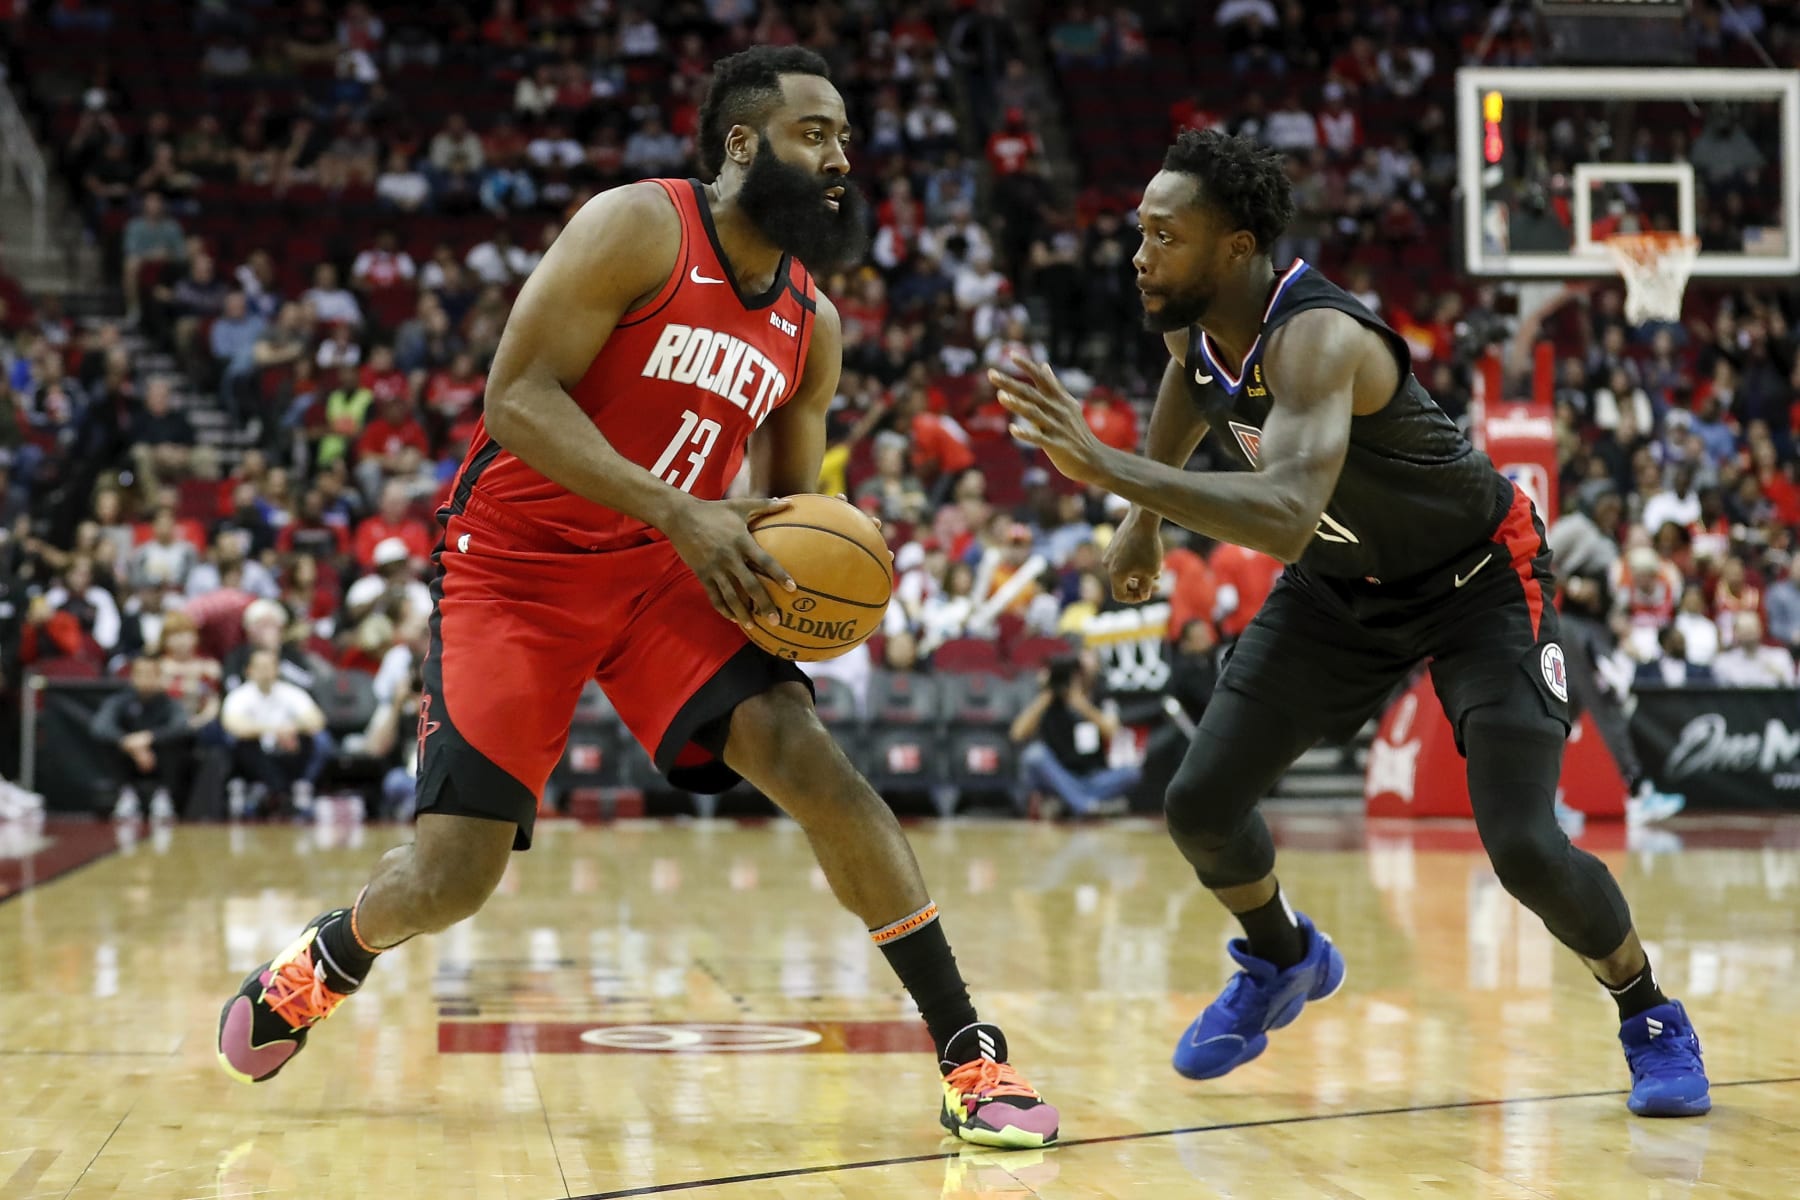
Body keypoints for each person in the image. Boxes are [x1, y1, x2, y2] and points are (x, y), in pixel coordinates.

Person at [216, 46, 1057, 1150]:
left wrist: (830, 559)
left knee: (817, 766)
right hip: (516, 569)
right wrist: (679, 510)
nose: (842, 156)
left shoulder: (812, 321)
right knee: (450, 879)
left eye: (848, 137)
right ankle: (324, 961)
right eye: (817, 133)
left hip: (667, 570)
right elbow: (514, 400)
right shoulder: (640, 227)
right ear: (743, 145)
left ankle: (967, 1053)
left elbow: (785, 507)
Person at [988, 129, 1708, 1117]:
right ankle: (1284, 959)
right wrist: (1141, 522)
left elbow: (1282, 512)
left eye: (1163, 236)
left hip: (1480, 584)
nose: (1138, 255)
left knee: (1526, 845)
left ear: (1238, 247)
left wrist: (1111, 469)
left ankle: (1649, 1012)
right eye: (1139, 233)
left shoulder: (1319, 337)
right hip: (1340, 587)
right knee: (1199, 804)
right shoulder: (1191, 324)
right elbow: (1189, 385)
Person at [1009, 653, 1138, 817]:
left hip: (1091, 775)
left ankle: (1067, 802)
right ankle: (1086, 806)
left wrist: (1079, 703)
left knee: (1131, 773)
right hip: (1057, 775)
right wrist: (1046, 696)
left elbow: (1113, 731)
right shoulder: (1047, 700)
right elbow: (1017, 733)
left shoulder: (1100, 696)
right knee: (1034, 755)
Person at [219, 646, 330, 812]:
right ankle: (274, 791)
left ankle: (302, 785)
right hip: (256, 753)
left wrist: (293, 729)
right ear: (249, 670)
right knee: (237, 743)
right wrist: (273, 730)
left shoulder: (292, 693)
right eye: (260, 667)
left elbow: (317, 720)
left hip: (289, 749)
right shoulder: (239, 696)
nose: (265, 671)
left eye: (269, 666)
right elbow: (232, 725)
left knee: (319, 739)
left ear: (277, 669)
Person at [89, 656, 189, 822]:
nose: (145, 679)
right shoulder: (119, 701)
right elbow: (100, 726)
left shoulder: (171, 704)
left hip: (160, 759)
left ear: (159, 677)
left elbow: (181, 726)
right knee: (107, 742)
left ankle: (164, 796)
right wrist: (128, 743)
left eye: (151, 674)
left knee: (177, 742)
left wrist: (149, 738)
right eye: (140, 673)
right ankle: (126, 795)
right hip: (127, 760)